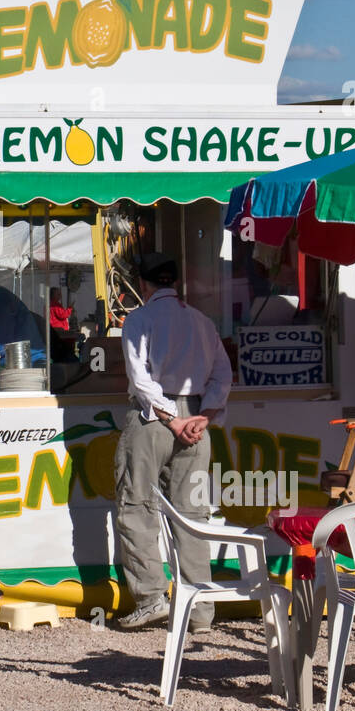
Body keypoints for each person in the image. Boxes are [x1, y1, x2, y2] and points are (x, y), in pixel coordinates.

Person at [114, 252, 233, 632]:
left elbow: (141, 379)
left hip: (154, 419)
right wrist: (203, 417)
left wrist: (173, 418)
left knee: (136, 508)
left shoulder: (140, 318)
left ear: (144, 284)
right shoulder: (201, 321)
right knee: (193, 514)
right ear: (175, 281)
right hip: (196, 419)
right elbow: (222, 375)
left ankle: (151, 600)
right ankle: (200, 611)